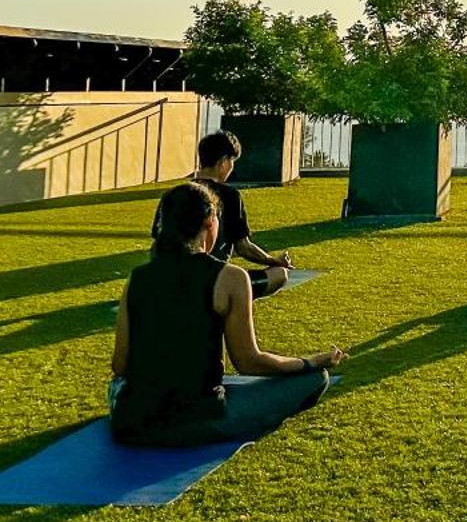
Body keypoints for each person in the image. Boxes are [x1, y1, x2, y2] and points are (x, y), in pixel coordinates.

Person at [111, 180, 346, 447]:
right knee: (316, 379)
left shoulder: (137, 279)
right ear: (210, 223)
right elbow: (249, 362)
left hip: (131, 422)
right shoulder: (230, 278)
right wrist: (309, 363)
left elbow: (120, 365)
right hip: (196, 420)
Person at [158, 130, 296, 299]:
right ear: (223, 162)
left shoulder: (173, 194)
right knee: (279, 274)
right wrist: (274, 261)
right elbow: (244, 247)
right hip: (212, 280)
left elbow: (158, 238)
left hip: (171, 278)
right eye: (231, 161)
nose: (231, 167)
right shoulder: (229, 196)